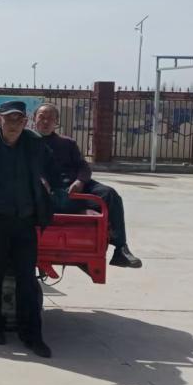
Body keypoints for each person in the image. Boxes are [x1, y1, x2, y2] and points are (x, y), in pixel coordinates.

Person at [0, 100, 57, 358]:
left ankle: (32, 335)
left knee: (27, 280)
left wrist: (52, 191)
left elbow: (55, 172)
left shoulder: (35, 145)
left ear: (25, 122)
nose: (13, 124)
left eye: (18, 119)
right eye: (8, 119)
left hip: (25, 222)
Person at [34, 103, 142, 268]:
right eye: (42, 117)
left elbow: (83, 167)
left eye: (50, 118)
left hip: (75, 188)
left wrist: (80, 181)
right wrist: (40, 180)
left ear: (56, 122)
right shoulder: (28, 143)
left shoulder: (67, 143)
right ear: (34, 119)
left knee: (109, 194)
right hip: (50, 192)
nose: (45, 121)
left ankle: (120, 248)